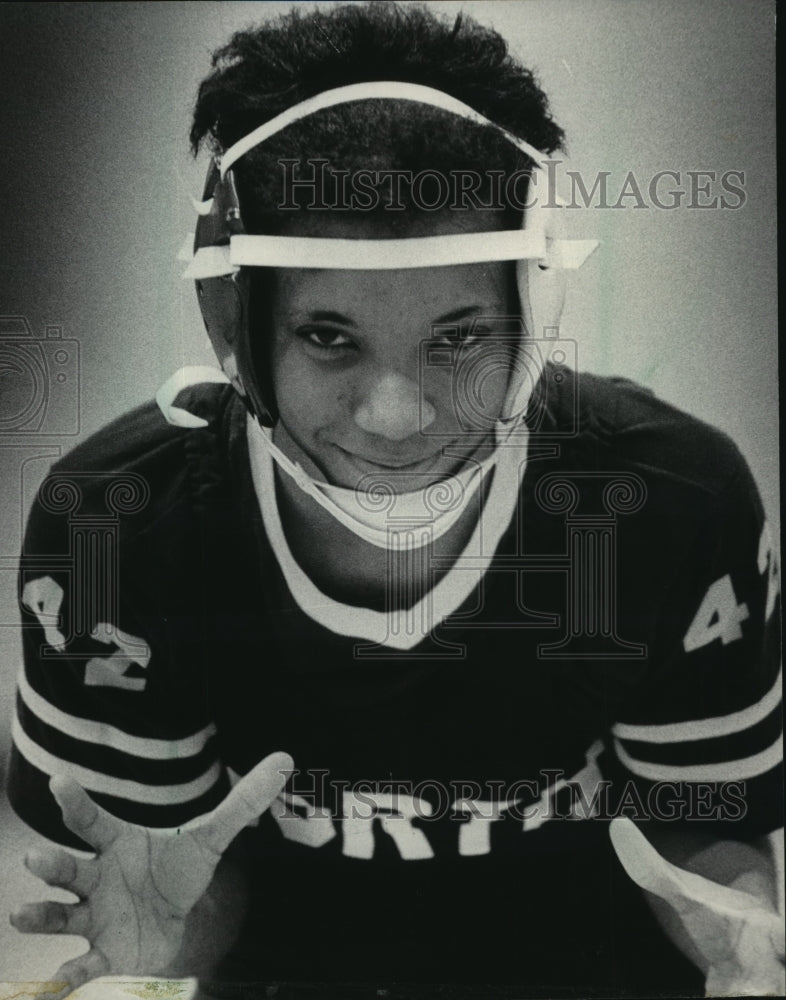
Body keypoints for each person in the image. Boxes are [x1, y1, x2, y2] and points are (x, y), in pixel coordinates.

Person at [5, 3, 783, 999]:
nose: (395, 414)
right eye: (331, 337)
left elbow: (703, 821)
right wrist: (168, 933)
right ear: (233, 326)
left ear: (532, 314)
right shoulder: (112, 525)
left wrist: (745, 930)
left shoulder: (670, 501)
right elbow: (186, 877)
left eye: (456, 337)